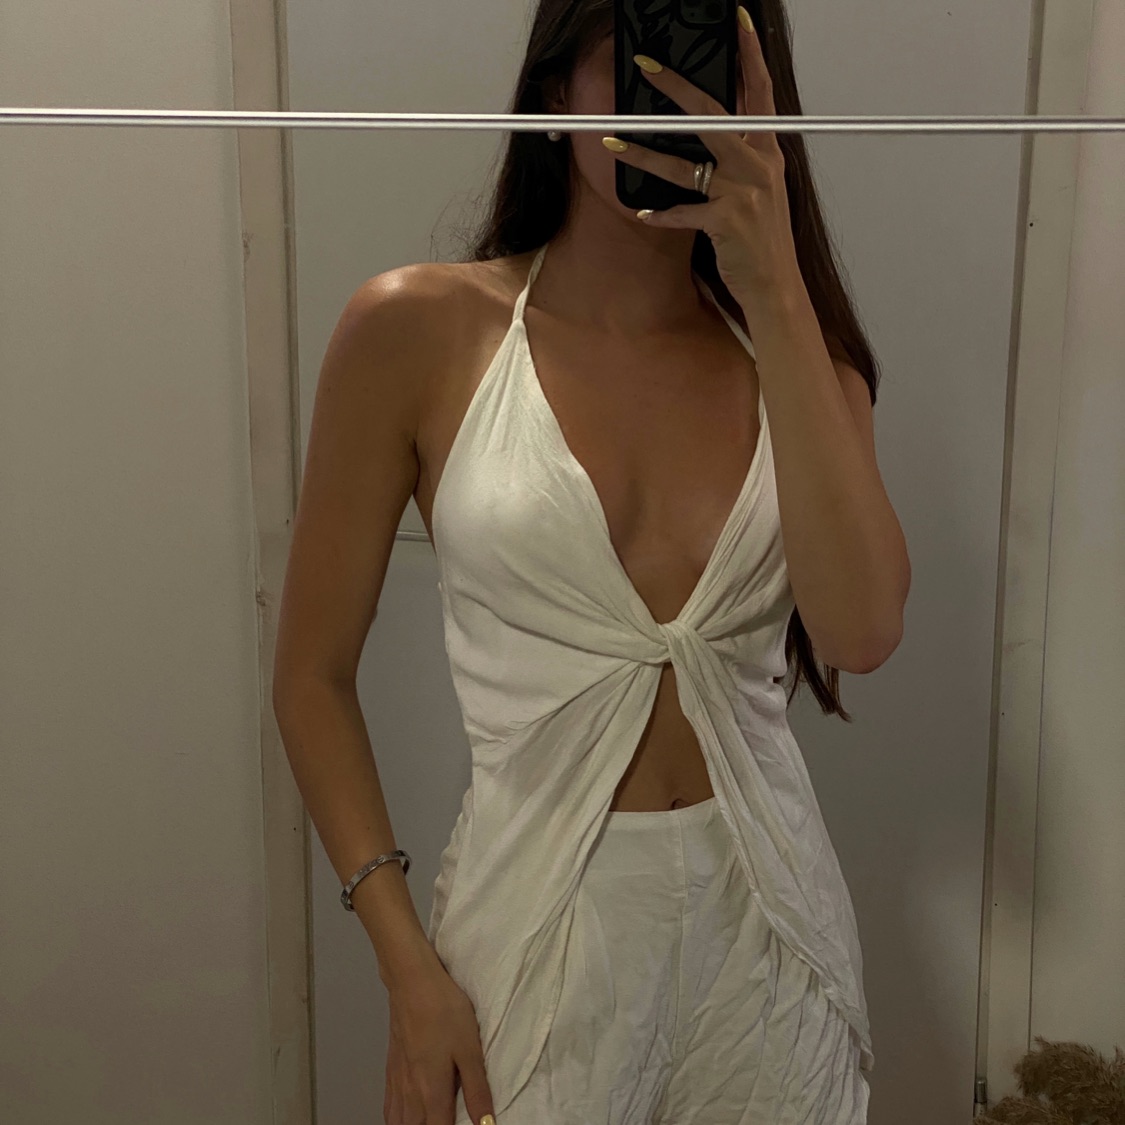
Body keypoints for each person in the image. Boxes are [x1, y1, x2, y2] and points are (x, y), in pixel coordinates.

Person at [273, 1, 910, 1123]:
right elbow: (309, 677)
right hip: (532, 933)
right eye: (635, 62)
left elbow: (860, 633)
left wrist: (772, 282)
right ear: (555, 88)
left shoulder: (806, 367)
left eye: (704, 68)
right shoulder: (417, 331)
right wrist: (407, 970)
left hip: (772, 945)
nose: (671, 100)